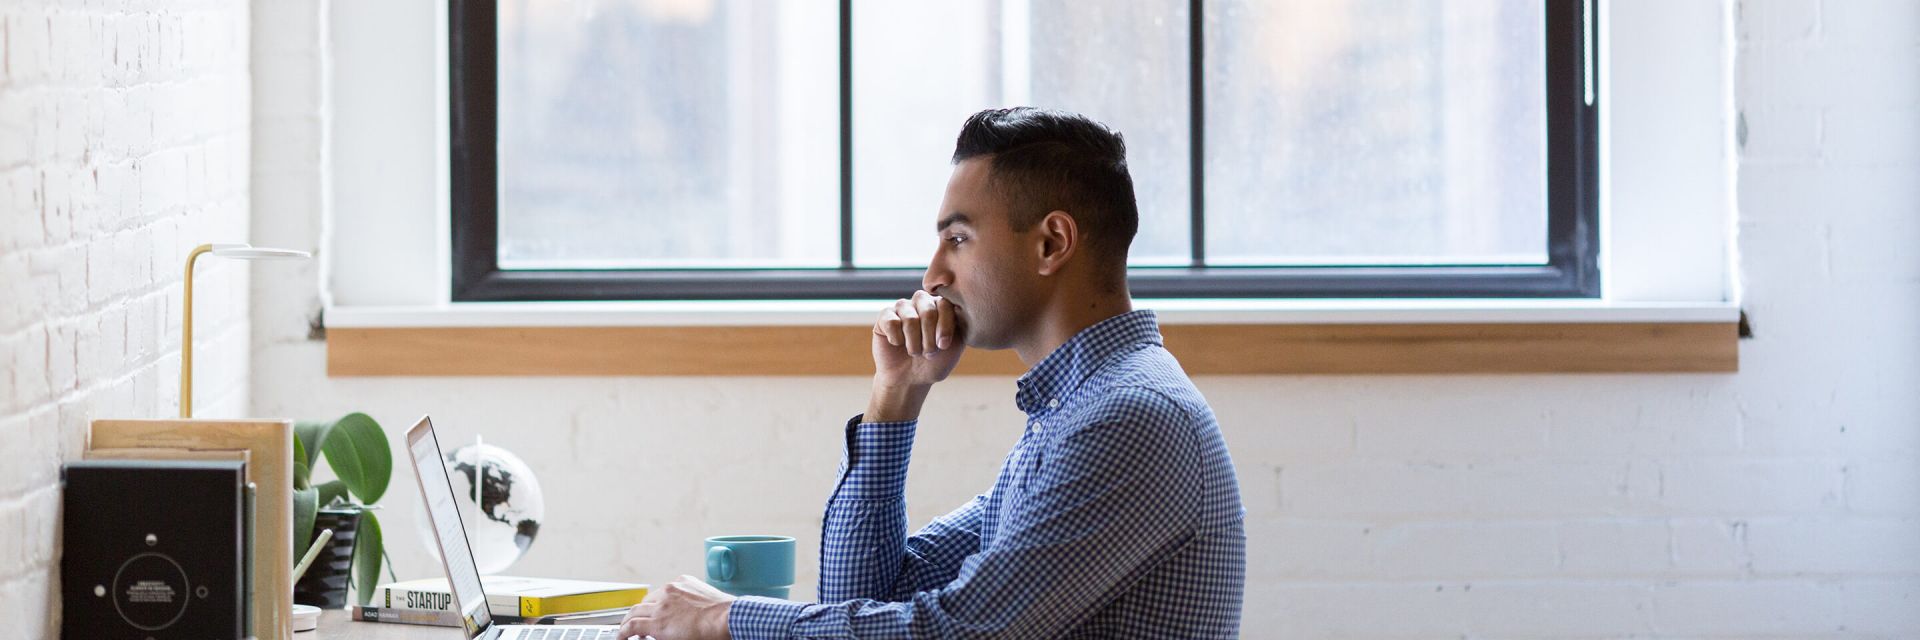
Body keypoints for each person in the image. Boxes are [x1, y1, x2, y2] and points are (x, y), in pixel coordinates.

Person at [620, 107, 1246, 639]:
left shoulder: (1129, 419)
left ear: (1052, 243)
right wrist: (898, 392)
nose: (932, 276)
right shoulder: (1074, 412)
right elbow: (863, 595)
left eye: (960, 239)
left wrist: (726, 617)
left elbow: (952, 630)